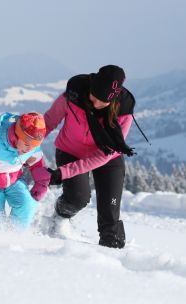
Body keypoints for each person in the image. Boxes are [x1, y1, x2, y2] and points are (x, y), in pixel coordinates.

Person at [43, 65, 136, 248]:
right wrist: (22, 144)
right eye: (94, 97)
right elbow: (48, 122)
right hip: (70, 150)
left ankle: (114, 255)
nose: (95, 104)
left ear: (114, 98)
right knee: (77, 198)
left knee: (110, 214)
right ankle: (60, 217)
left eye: (102, 101)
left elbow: (103, 156)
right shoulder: (74, 94)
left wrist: (62, 173)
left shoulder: (123, 112)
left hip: (107, 156)